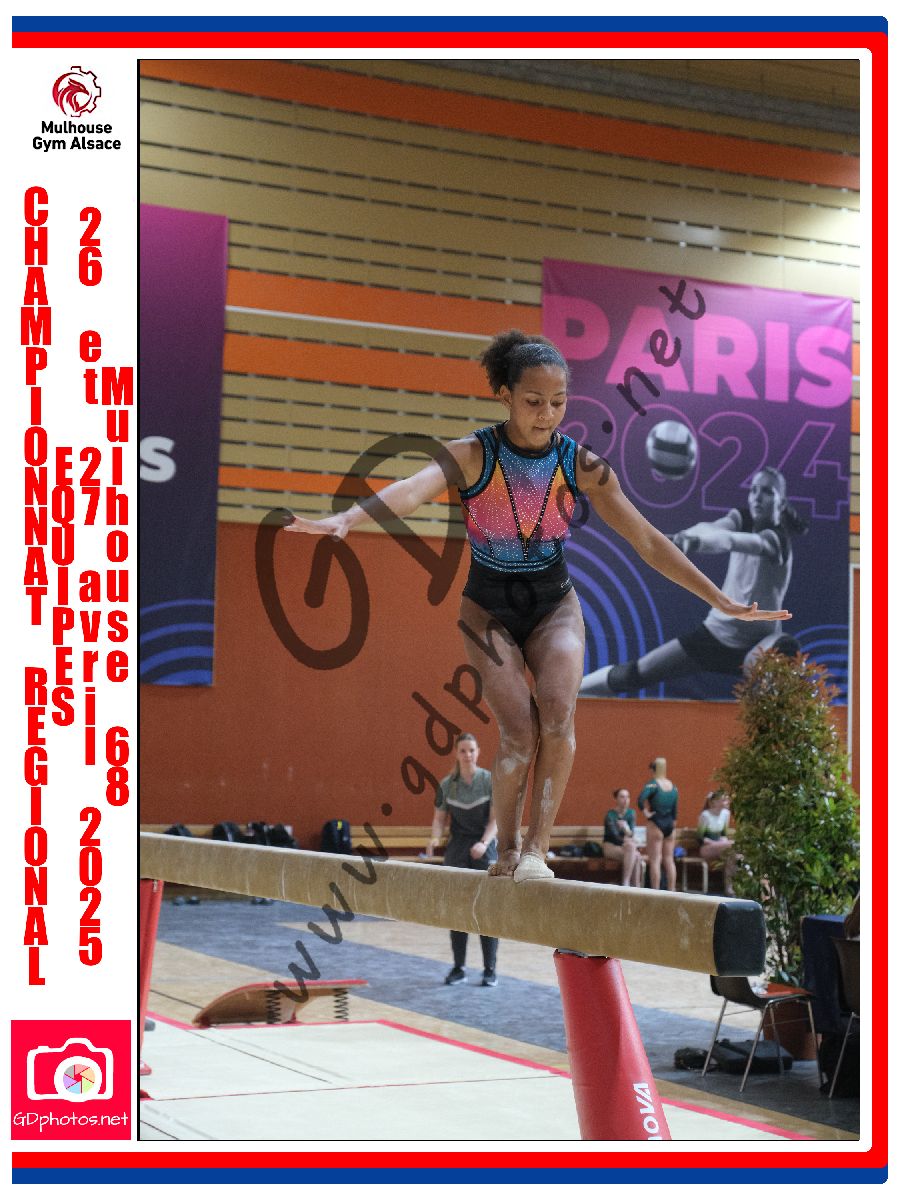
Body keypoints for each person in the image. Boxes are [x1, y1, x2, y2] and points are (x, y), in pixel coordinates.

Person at [284, 330, 789, 882]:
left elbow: (647, 540)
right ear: (504, 395)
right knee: (519, 734)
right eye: (533, 401)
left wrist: (718, 599)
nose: (547, 414)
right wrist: (349, 518)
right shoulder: (473, 454)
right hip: (487, 613)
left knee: (558, 710)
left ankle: (535, 850)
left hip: (554, 607)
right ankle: (505, 851)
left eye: (558, 402)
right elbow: (413, 486)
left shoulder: (581, 465)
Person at [580, 466, 806, 697]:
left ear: (781, 502)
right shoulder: (742, 518)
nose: (757, 497)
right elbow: (712, 529)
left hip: (759, 642)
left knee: (774, 657)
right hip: (714, 637)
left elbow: (730, 540)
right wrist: (686, 538)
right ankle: (576, 692)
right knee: (636, 673)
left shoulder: (777, 540)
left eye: (767, 491)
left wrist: (695, 543)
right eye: (754, 490)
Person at [426, 732, 499, 986]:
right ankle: (458, 967)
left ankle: (490, 969)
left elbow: (496, 820)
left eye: (471, 750)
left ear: (478, 752)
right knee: (457, 909)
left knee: (486, 909)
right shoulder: (447, 784)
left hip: (484, 846)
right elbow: (439, 819)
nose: (468, 755)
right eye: (463, 751)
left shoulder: (489, 781)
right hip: (457, 847)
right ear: (456, 754)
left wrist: (484, 843)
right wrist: (435, 839)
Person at [638, 757, 678, 891]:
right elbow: (675, 810)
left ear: (654, 769)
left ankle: (656, 891)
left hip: (656, 823)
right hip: (670, 824)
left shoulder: (653, 785)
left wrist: (646, 812)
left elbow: (640, 799)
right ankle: (672, 890)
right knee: (669, 860)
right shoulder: (673, 787)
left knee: (655, 860)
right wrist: (672, 823)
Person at [697, 789, 737, 896]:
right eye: (724, 800)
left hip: (721, 846)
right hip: (707, 847)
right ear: (714, 802)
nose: (727, 802)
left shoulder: (725, 814)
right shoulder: (705, 815)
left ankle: (730, 887)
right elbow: (700, 838)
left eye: (727, 800)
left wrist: (723, 840)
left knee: (734, 856)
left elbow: (723, 834)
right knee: (732, 846)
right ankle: (729, 887)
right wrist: (716, 843)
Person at [601, 787, 644, 886]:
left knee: (635, 854)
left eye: (627, 797)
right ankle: (627, 883)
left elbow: (631, 833)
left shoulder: (631, 813)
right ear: (616, 799)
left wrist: (626, 829)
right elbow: (614, 836)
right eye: (622, 797)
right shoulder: (610, 815)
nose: (625, 800)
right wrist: (627, 839)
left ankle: (634, 886)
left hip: (626, 847)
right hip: (610, 846)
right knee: (634, 853)